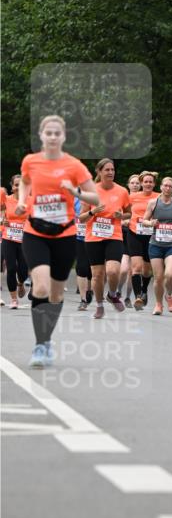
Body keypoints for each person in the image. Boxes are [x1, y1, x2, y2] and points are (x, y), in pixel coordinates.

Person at [17, 115, 99, 368]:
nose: (52, 137)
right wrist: (22, 201)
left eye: (57, 133)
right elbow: (26, 184)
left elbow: (95, 199)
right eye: (48, 133)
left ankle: (46, 340)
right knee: (40, 288)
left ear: (63, 137)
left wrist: (74, 192)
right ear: (41, 136)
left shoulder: (74, 166)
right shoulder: (30, 161)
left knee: (54, 294)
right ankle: (40, 345)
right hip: (35, 232)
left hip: (64, 235)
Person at [80, 158, 131, 319]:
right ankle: (99, 305)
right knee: (97, 275)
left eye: (112, 169)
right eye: (107, 170)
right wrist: (92, 212)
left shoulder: (122, 191)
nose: (110, 172)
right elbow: (81, 218)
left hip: (114, 236)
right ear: (99, 172)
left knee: (113, 271)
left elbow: (129, 213)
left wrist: (121, 215)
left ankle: (112, 294)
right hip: (93, 238)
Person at [142, 176, 172, 315]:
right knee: (159, 277)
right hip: (155, 244)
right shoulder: (153, 203)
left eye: (170, 186)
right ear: (160, 187)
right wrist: (151, 223)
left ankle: (169, 295)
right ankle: (159, 304)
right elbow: (144, 220)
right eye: (165, 185)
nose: (167, 188)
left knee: (170, 274)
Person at [126, 171, 159, 310]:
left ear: (154, 184)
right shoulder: (132, 197)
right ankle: (138, 296)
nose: (148, 184)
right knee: (136, 268)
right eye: (145, 181)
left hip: (151, 236)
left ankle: (144, 290)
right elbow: (124, 211)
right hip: (134, 233)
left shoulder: (159, 197)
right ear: (141, 183)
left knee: (147, 270)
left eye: (151, 181)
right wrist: (125, 219)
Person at [1, 175, 29, 309]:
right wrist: (1, 221)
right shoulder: (6, 200)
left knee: (23, 270)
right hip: (9, 238)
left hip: (25, 240)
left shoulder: (30, 201)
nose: (19, 188)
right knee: (11, 268)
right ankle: (13, 299)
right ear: (12, 187)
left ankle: (21, 283)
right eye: (16, 185)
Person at [120, 173, 141, 307]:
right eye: (132, 183)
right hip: (123, 234)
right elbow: (116, 215)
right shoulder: (123, 198)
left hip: (137, 235)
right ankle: (116, 292)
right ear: (128, 184)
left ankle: (127, 297)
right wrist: (124, 221)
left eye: (137, 183)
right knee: (123, 269)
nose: (135, 185)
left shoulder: (143, 199)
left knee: (132, 271)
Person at [73, 195, 93, 311]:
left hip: (94, 237)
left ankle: (89, 289)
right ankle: (83, 299)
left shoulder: (95, 198)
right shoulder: (73, 199)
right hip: (78, 236)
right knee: (81, 267)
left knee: (92, 268)